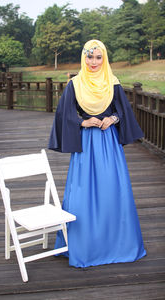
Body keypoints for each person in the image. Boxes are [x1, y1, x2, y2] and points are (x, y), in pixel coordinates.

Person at [48, 40, 146, 268]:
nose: (93, 62)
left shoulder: (113, 83)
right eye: (90, 57)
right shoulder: (74, 84)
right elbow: (64, 115)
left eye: (98, 57)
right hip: (86, 146)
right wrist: (83, 122)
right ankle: (85, 247)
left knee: (113, 191)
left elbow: (123, 111)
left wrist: (113, 119)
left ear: (105, 58)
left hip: (108, 144)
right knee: (83, 194)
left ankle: (118, 245)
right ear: (84, 58)